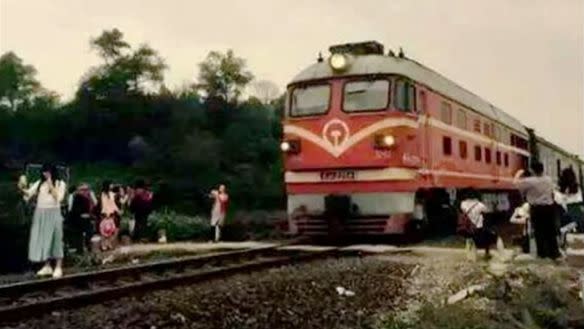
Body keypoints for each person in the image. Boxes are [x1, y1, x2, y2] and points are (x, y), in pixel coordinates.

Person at [22, 164, 67, 278]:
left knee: (56, 239)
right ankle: (47, 265)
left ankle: (58, 266)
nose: (45, 174)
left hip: (53, 212)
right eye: (43, 172)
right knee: (43, 239)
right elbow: (28, 194)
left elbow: (59, 198)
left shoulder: (60, 183)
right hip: (40, 212)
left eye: (47, 172)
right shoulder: (39, 183)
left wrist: (51, 183)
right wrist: (21, 187)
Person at [514, 161, 561, 260]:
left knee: (539, 232)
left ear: (532, 170)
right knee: (550, 232)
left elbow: (516, 184)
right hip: (550, 208)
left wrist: (518, 173)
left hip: (537, 209)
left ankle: (542, 254)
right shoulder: (548, 179)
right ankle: (554, 254)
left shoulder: (529, 181)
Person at [459, 188, 494, 260]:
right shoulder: (480, 205)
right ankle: (487, 253)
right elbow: (487, 211)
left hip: (468, 227)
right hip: (478, 227)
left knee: (469, 240)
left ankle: (470, 256)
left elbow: (464, 210)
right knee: (487, 238)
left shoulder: (463, 203)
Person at [67, 183, 97, 254]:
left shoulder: (86, 198)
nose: (85, 191)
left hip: (83, 221)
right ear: (78, 191)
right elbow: (75, 212)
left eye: (87, 190)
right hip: (76, 222)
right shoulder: (78, 198)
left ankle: (86, 247)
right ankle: (82, 249)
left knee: (89, 231)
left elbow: (95, 205)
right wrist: (86, 215)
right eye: (83, 190)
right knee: (84, 233)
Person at [559, 167, 584, 232]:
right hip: (579, 218)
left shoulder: (560, 192)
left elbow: (562, 204)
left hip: (567, 221)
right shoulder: (578, 189)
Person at [99, 181, 120, 250]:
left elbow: (113, 203)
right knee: (104, 229)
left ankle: (108, 244)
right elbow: (104, 204)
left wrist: (116, 210)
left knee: (110, 229)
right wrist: (107, 212)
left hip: (111, 213)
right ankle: (103, 244)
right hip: (105, 213)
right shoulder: (103, 194)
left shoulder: (111, 194)